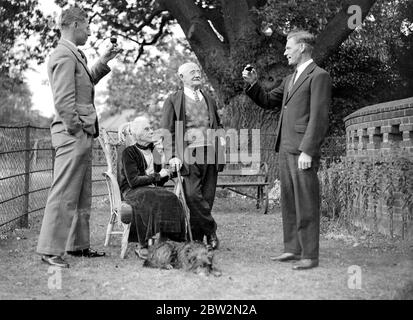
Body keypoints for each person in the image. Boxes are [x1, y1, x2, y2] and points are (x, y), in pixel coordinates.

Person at [36, 6, 122, 268]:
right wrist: (76, 129)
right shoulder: (63, 54)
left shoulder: (75, 54)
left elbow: (85, 84)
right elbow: (63, 101)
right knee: (63, 193)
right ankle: (50, 250)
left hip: (81, 132)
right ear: (74, 25)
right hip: (73, 133)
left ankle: (76, 246)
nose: (89, 31)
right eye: (87, 26)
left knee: (81, 193)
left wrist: (103, 60)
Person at [242, 30, 332, 270]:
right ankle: (292, 249)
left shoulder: (319, 76)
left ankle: (310, 256)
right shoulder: (290, 79)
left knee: (306, 203)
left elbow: (319, 117)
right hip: (285, 148)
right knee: (289, 201)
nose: (285, 52)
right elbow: (268, 100)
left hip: (302, 151)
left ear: (302, 47)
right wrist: (253, 84)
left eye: (288, 47)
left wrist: (308, 150)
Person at [161, 62, 225, 250]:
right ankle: (211, 231)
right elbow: (167, 131)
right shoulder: (173, 100)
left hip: (210, 152)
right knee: (192, 195)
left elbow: (217, 124)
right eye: (192, 72)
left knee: (207, 196)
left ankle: (197, 238)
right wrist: (172, 155)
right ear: (181, 77)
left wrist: (220, 137)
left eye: (198, 71)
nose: (197, 74)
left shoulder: (209, 98)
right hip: (187, 154)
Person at [118, 117, 186, 259]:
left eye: (150, 128)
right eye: (146, 129)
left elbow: (160, 180)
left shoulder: (154, 151)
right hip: (132, 191)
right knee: (149, 198)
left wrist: (172, 168)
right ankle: (142, 245)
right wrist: (157, 175)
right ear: (137, 134)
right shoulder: (129, 152)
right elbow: (134, 181)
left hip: (150, 190)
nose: (151, 131)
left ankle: (170, 241)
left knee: (171, 197)